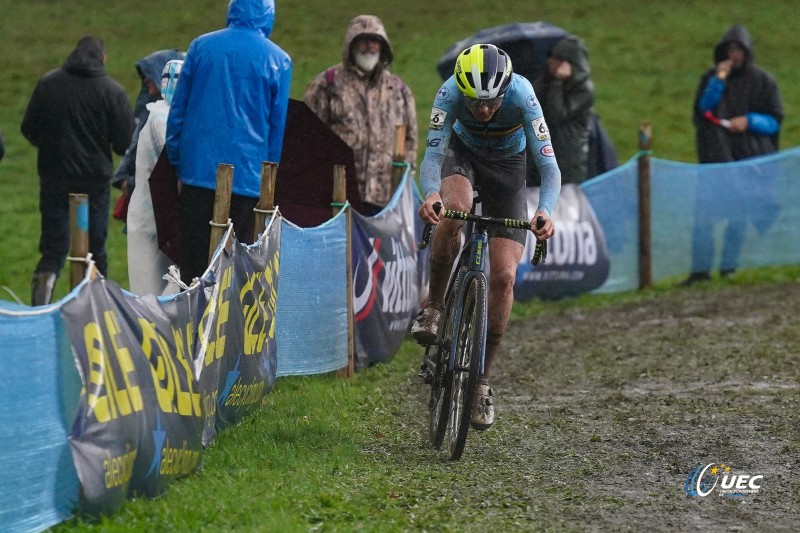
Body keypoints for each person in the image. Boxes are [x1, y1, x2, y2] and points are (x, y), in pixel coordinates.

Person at [411, 44, 560, 429]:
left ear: (505, 89)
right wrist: (431, 194)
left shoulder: (524, 97)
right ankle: (435, 306)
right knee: (452, 214)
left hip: (509, 168)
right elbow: (431, 155)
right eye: (474, 102)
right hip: (463, 156)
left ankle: (482, 381)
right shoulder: (448, 93)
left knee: (505, 276)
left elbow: (549, 167)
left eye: (490, 102)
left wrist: (545, 211)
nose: (482, 110)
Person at [166, 0, 292, 284]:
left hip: (198, 173)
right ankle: (228, 327)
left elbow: (179, 113)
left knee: (193, 267)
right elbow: (276, 127)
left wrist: (179, 163)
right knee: (235, 269)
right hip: (248, 180)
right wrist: (267, 181)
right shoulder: (279, 60)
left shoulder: (200, 47)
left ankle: (193, 324)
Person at [21, 36, 135, 305]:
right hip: (93, 183)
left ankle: (40, 306)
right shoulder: (112, 91)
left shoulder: (48, 84)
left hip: (54, 179)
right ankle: (99, 310)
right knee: (95, 250)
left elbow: (28, 128)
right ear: (102, 59)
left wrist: (51, 146)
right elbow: (124, 143)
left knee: (52, 248)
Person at [681, 24, 783, 286]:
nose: (734, 54)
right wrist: (719, 80)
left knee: (737, 218)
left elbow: (774, 122)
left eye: (739, 49)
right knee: (704, 218)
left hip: (747, 160)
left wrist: (749, 121)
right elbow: (704, 110)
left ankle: (729, 269)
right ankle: (700, 272)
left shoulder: (763, 82)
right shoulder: (711, 78)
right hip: (715, 158)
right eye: (729, 49)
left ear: (747, 52)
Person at [303, 14, 417, 216]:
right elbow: (306, 139)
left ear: (383, 47)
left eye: (374, 41)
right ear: (350, 45)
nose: (369, 46)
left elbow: (411, 141)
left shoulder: (399, 90)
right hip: (336, 198)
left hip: (386, 202)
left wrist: (403, 187)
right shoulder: (326, 84)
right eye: (362, 40)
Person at [127, 59, 183, 296]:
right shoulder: (162, 120)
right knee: (151, 294)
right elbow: (176, 160)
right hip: (152, 219)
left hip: (162, 217)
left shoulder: (168, 116)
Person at [111, 49, 186, 202]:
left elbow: (162, 166)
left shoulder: (161, 117)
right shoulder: (152, 111)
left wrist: (130, 184)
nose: (145, 80)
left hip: (156, 200)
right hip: (145, 198)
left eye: (150, 74)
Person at [529, 35, 594, 185]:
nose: (550, 61)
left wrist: (557, 81)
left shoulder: (583, 90)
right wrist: (549, 80)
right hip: (542, 157)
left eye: (556, 58)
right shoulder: (546, 82)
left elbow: (556, 115)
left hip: (567, 165)